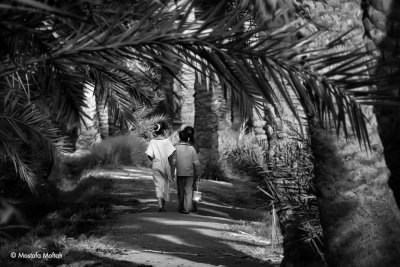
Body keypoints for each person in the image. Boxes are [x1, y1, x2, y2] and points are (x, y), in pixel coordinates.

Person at [145, 121, 176, 212]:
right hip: (165, 166)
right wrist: (172, 168)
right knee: (165, 186)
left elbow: (149, 155)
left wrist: (153, 160)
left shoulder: (152, 142)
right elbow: (171, 155)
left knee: (158, 186)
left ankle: (160, 205)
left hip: (156, 166)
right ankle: (163, 205)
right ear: (164, 131)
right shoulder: (167, 142)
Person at [175, 130, 201, 214]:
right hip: (190, 174)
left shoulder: (176, 148)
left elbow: (173, 162)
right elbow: (196, 163)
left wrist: (171, 172)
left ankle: (181, 206)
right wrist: (198, 173)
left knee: (181, 191)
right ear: (188, 138)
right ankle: (187, 208)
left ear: (179, 137)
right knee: (189, 191)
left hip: (180, 173)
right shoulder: (192, 149)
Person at [183, 126, 200, 211]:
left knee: (185, 187)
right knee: (193, 187)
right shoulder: (196, 144)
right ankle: (194, 205)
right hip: (193, 168)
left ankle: (186, 206)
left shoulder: (183, 144)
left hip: (184, 167)